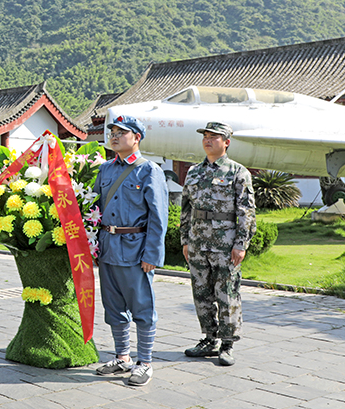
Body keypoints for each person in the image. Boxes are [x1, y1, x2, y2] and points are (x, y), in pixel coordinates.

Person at [94, 115, 168, 387]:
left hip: (135, 250)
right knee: (113, 307)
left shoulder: (148, 170)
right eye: (112, 131)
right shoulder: (105, 170)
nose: (114, 136)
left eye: (121, 132)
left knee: (142, 307)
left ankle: (145, 362)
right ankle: (122, 357)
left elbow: (159, 217)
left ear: (137, 138)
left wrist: (152, 254)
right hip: (108, 247)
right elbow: (94, 210)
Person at [181, 122, 256, 367]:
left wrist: (241, 244)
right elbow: (185, 210)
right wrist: (185, 240)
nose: (208, 140)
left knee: (227, 294)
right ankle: (208, 338)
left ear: (227, 142)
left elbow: (246, 211)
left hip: (226, 245)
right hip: (198, 243)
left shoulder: (238, 172)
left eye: (214, 137)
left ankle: (227, 343)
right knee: (201, 293)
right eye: (205, 136)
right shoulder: (193, 172)